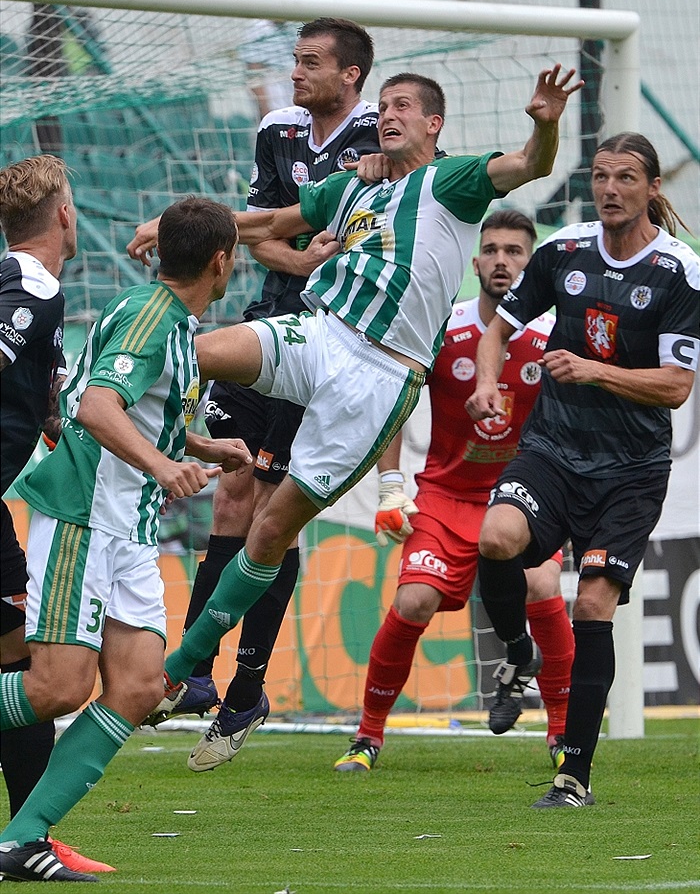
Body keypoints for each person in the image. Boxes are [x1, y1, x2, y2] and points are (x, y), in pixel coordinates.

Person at [129, 64, 583, 774]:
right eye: (386, 106)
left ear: (433, 124)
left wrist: (546, 121)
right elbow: (275, 223)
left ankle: (187, 667)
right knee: (191, 351)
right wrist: (179, 225)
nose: (389, 114)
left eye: (403, 106)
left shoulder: (453, 181)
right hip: (318, 333)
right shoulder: (356, 186)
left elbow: (530, 163)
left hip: (379, 377)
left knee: (273, 527)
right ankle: (113, 432)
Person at [135, 18, 380, 758]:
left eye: (311, 62)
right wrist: (304, 260)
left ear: (353, 75)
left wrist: (302, 254)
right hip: (270, 321)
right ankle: (199, 671)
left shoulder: (381, 141)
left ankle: (247, 684)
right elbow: (263, 229)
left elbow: (360, 248)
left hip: (330, 343)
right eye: (295, 60)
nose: (296, 73)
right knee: (235, 488)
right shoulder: (277, 129)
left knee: (277, 506)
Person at [0, 197, 253, 882]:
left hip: (130, 531)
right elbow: (95, 405)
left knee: (140, 685)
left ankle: (23, 837)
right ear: (221, 261)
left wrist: (199, 443)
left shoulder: (168, 321)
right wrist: (165, 464)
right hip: (87, 515)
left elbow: (129, 402)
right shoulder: (151, 318)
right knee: (57, 687)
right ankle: (25, 836)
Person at [466, 132, 699, 809]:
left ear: (652, 187)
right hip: (553, 449)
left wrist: (595, 369)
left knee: (591, 603)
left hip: (630, 469)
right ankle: (517, 652)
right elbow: (497, 330)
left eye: (626, 176)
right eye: (601, 175)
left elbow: (676, 386)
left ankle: (574, 775)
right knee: (496, 538)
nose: (610, 188)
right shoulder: (564, 249)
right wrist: (486, 383)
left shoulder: (680, 272)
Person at [333, 209, 575, 774]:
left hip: (521, 497)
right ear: (475, 263)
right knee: (412, 601)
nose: (502, 261)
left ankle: (562, 735)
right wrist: (390, 486)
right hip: (447, 497)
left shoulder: (551, 337)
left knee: (542, 583)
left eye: (515, 252)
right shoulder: (446, 328)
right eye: (491, 250)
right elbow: (395, 404)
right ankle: (367, 738)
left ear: (530, 262)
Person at [0, 154, 115, 875]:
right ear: (65, 216)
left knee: (17, 660)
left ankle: (25, 836)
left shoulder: (33, 289)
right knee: (38, 671)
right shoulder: (28, 286)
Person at [239, 0, 299, 119]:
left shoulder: (296, 26)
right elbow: (253, 73)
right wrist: (266, 111)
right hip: (276, 105)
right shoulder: (258, 28)